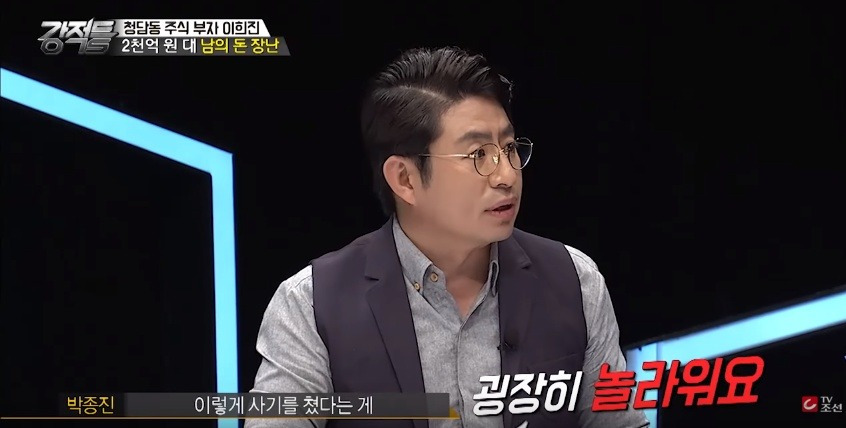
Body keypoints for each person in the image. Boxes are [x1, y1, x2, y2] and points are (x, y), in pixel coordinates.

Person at [247, 46, 649, 428]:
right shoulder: (311, 304)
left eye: (509, 148)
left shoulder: (575, 281)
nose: (506, 175)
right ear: (405, 179)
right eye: (478, 155)